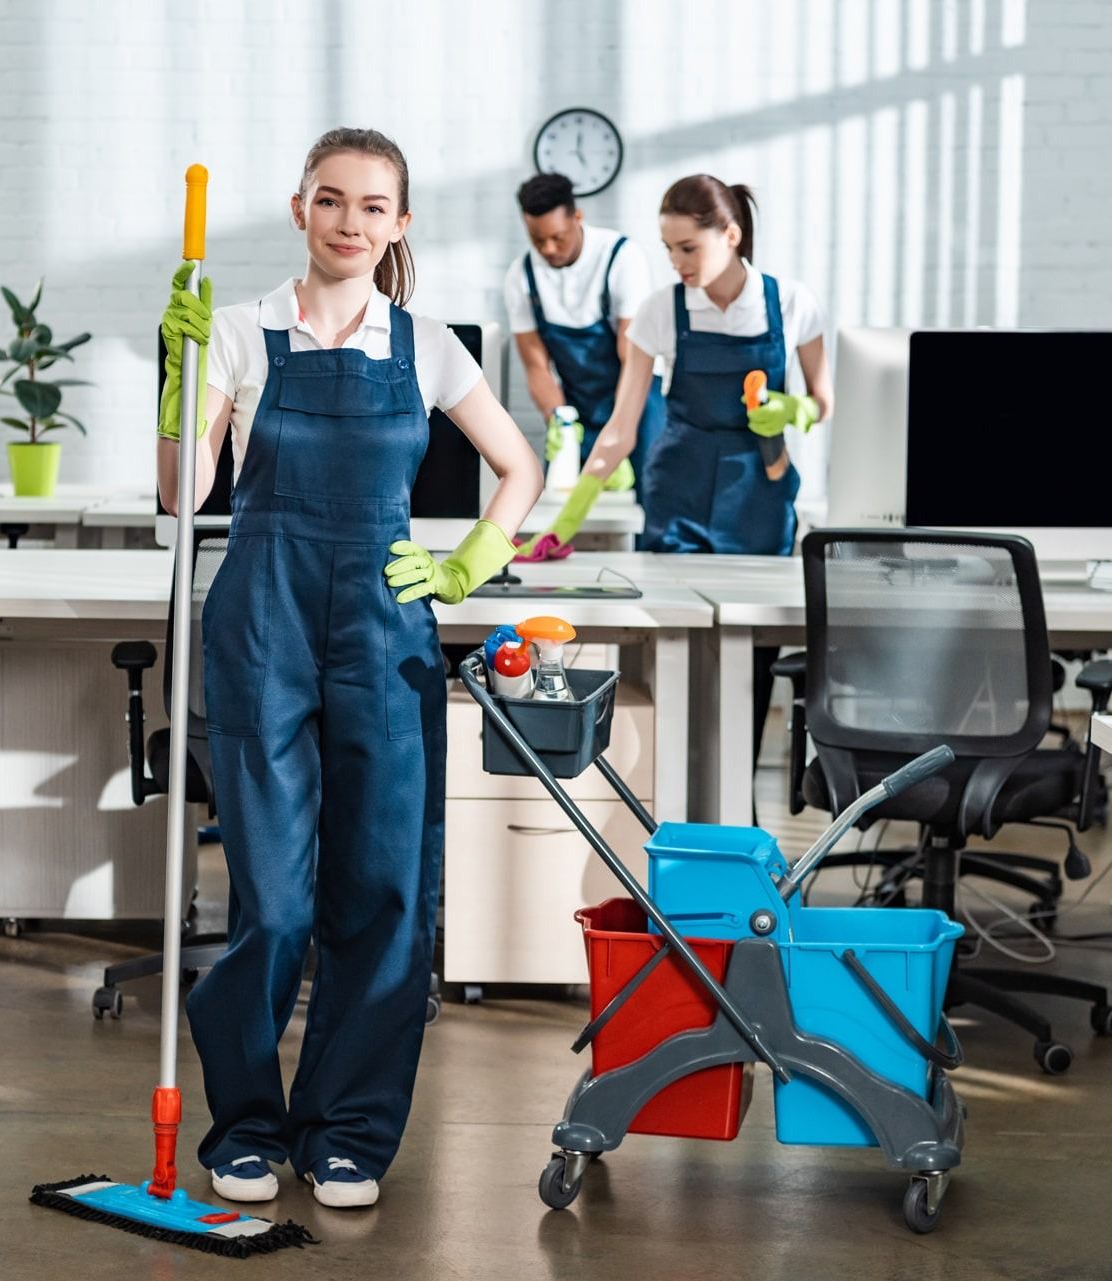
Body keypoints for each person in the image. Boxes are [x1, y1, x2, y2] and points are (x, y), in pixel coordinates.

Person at [157, 128, 542, 1210]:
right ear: (299, 210)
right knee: (273, 903)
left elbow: (519, 465)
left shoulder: (427, 346)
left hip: (385, 635)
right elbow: (184, 495)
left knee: (379, 892)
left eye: (374, 206)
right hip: (263, 629)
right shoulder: (237, 331)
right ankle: (245, 1125)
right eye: (331, 201)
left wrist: (472, 559)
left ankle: (347, 1134)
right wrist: (178, 374)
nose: (350, 222)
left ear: (399, 225)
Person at [524, 175, 833, 759]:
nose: (676, 261)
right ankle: (666, 792)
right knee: (671, 652)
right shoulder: (661, 309)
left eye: (688, 247)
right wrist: (564, 524)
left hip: (757, 500)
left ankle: (735, 805)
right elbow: (619, 429)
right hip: (678, 494)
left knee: (752, 661)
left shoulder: (789, 302)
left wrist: (791, 409)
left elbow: (824, 401)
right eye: (668, 249)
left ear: (731, 235)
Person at [503, 173, 665, 508]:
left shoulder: (621, 257)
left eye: (557, 238)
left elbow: (631, 357)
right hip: (574, 409)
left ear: (577, 218)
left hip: (637, 401)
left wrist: (620, 435)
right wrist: (559, 423)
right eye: (537, 239)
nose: (548, 249)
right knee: (562, 506)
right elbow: (537, 368)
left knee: (651, 500)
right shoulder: (521, 277)